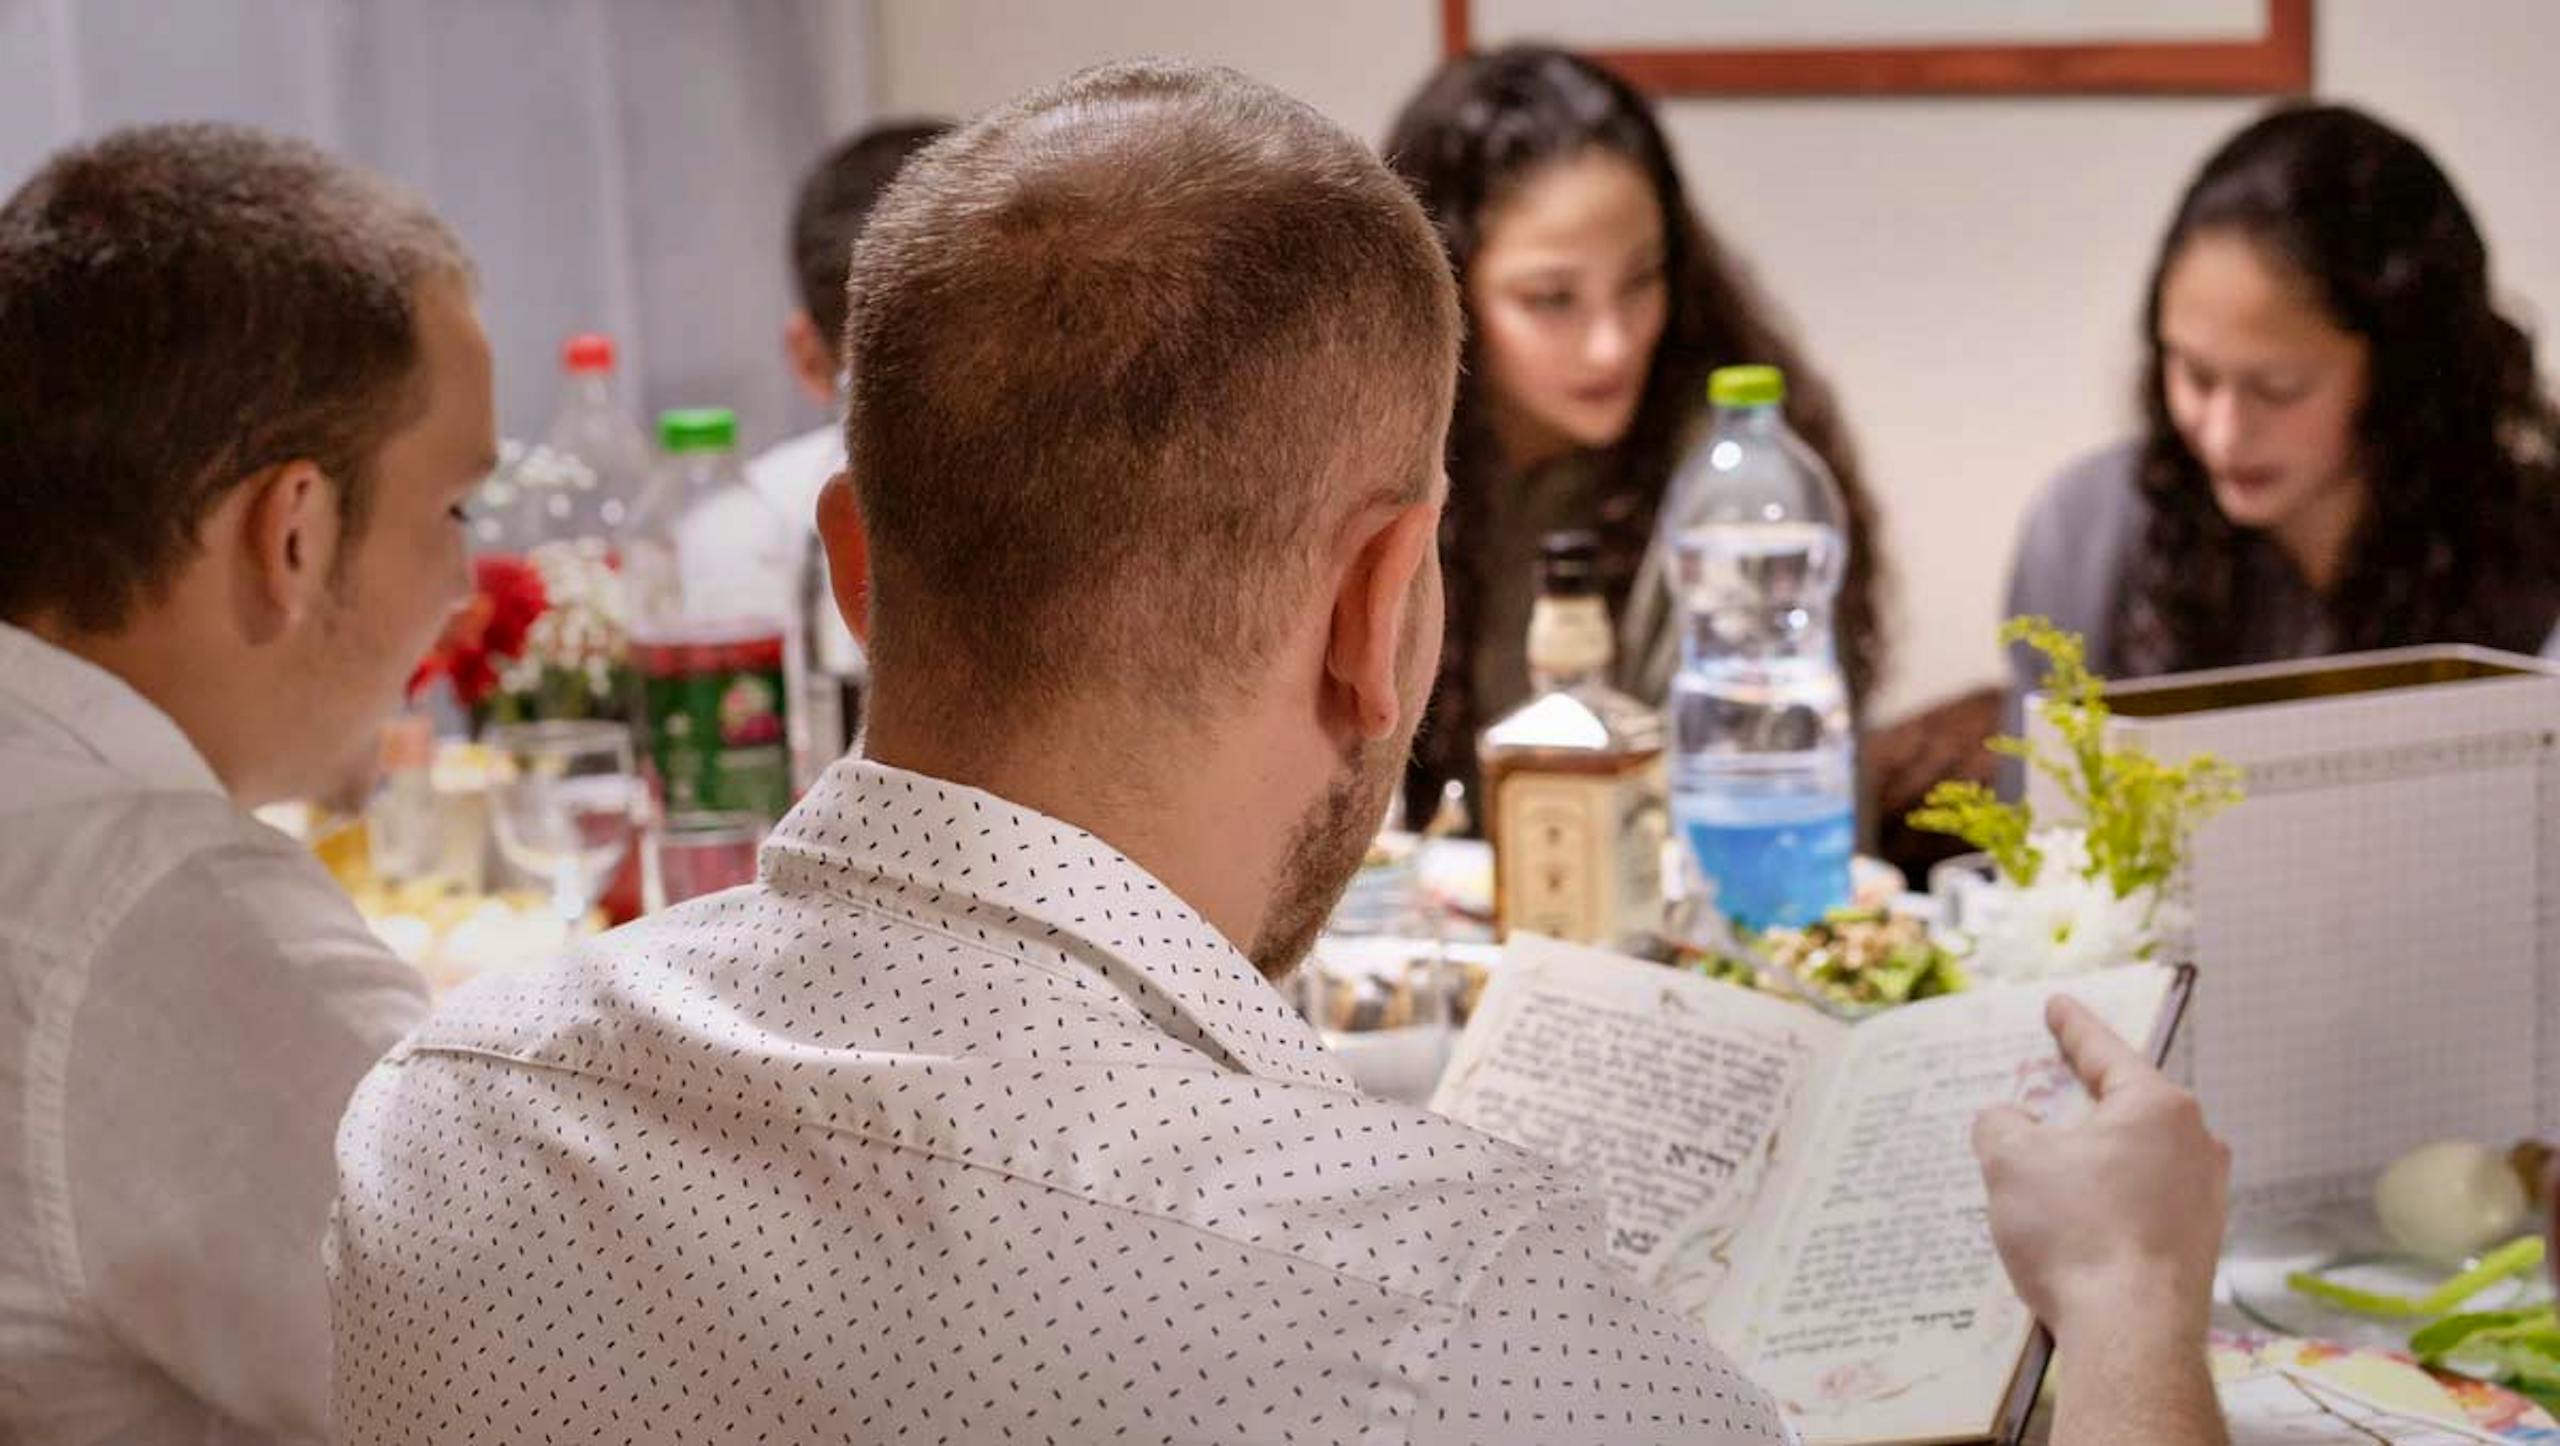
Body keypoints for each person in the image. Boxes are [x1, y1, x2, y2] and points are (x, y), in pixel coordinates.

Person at [331, 62, 2228, 1444]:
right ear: (1382, 606)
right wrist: (2136, 1314)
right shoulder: (1427, 1296)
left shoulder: (437, 1110)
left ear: (852, 571)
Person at [0, 124, 490, 1442]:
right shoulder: (159, 921)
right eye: (451, 512)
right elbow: (556, 1367)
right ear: (293, 531)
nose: (467, 587)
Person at [1381, 46, 1890, 828]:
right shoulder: (1380, 457)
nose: (1611, 345)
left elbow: (1759, 809)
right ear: (1446, 289)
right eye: (1552, 299)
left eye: (1641, 280)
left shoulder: (1732, 478)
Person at [2007, 103, 2560, 730]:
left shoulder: (2533, 561)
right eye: (2195, 374)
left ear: (2403, 378)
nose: (2223, 435)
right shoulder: (2088, 532)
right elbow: (2039, 815)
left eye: (2279, 387)